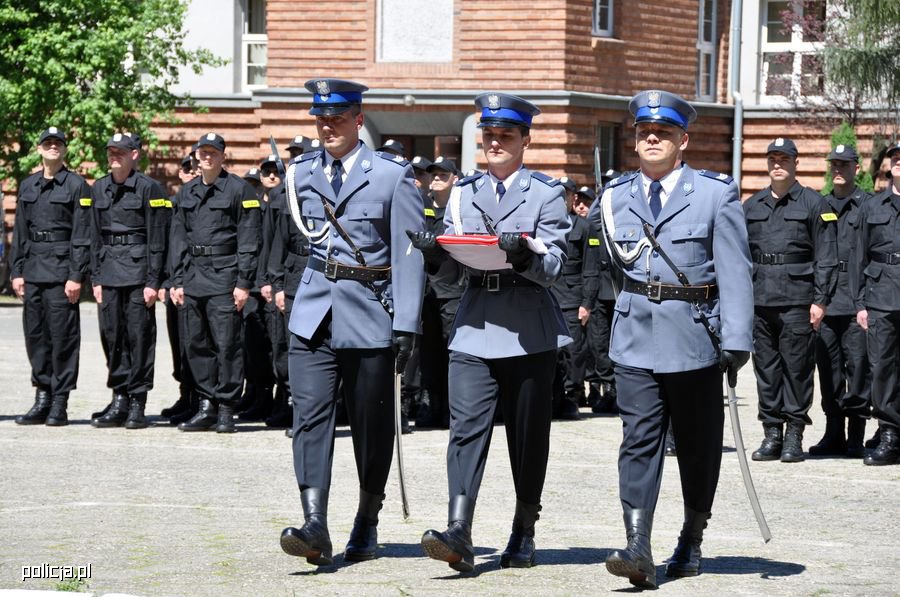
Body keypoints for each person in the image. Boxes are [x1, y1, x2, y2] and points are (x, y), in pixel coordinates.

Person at [588, 90, 753, 589]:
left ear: (683, 140)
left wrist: (737, 336)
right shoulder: (615, 196)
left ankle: (691, 538)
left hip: (694, 336)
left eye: (663, 132)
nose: (652, 139)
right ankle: (638, 544)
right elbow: (612, 268)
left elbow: (734, 270)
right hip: (635, 335)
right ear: (635, 140)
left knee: (698, 446)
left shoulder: (714, 194)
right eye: (644, 132)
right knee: (637, 441)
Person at [413, 92, 571, 571]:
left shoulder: (545, 193)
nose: (496, 142)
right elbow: (453, 274)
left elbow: (555, 266)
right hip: (475, 320)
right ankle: (458, 529)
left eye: (506, 135)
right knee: (465, 429)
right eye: (489, 135)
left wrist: (525, 257)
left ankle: (524, 530)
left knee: (527, 436)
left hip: (528, 325)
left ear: (525, 140)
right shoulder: (463, 193)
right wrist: (435, 257)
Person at [279, 78, 425, 566]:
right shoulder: (301, 172)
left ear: (358, 120)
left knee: (370, 423)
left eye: (337, 119)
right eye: (321, 119)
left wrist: (407, 323)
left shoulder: (390, 175)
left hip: (369, 310)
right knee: (309, 417)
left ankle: (366, 519)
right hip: (314, 310)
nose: (328, 127)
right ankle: (314, 523)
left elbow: (409, 254)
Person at [744, 138, 838, 463]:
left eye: (784, 158)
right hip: (760, 301)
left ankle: (794, 435)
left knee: (797, 370)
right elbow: (740, 257)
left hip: (798, 301)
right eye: (772, 158)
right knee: (766, 370)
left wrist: (821, 300)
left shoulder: (814, 204)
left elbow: (827, 257)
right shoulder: (752, 206)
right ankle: (772, 433)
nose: (777, 164)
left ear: (796, 163)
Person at [168, 132, 262, 433]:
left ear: (223, 155)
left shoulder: (239, 190)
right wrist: (177, 279)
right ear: (196, 155)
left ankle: (226, 409)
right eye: (203, 152)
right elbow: (178, 238)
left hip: (225, 276)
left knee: (227, 345)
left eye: (213, 152)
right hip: (193, 276)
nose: (207, 157)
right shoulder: (187, 192)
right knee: (196, 344)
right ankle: (206, 405)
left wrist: (244, 283)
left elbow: (249, 240)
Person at [11, 127, 92, 427]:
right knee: (36, 336)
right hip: (33, 270)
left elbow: (82, 234)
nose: (53, 147)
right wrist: (17, 271)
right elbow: (20, 231)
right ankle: (42, 396)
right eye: (48, 143)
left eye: (58, 143)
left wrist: (76, 275)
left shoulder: (77, 185)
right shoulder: (28, 185)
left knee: (63, 338)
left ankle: (60, 402)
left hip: (61, 273)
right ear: (39, 148)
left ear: (65, 149)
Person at [89, 133, 171, 429]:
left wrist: (154, 281)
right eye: (111, 151)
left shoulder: (150, 188)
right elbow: (93, 235)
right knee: (112, 337)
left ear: (134, 154)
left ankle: (137, 402)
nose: (114, 156)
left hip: (139, 275)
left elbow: (158, 237)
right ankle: (119, 398)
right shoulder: (99, 188)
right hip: (109, 273)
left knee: (139, 338)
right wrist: (95, 277)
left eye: (120, 152)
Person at [810, 144, 872, 458]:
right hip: (827, 299)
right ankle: (833, 433)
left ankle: (856, 436)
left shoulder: (868, 205)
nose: (838, 169)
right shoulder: (820, 205)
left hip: (857, 299)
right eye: (834, 164)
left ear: (856, 169)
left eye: (844, 164)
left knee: (858, 369)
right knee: (829, 370)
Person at [851, 141, 900, 466]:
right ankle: (890, 434)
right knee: (883, 368)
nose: (898, 161)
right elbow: (859, 255)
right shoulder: (873, 205)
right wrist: (860, 303)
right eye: (895, 157)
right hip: (880, 295)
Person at [415, 157, 463, 429]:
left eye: (443, 175)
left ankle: (450, 406)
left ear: (455, 179)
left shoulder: (460, 210)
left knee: (451, 350)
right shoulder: (420, 207)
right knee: (428, 351)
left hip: (452, 290)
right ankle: (431, 403)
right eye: (433, 174)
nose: (436, 178)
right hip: (425, 291)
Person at [550, 177, 599, 420]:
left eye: (567, 194)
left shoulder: (584, 227)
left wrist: (587, 303)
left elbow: (590, 269)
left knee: (574, 351)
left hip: (572, 298)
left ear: (573, 197)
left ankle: (572, 395)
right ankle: (553, 396)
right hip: (547, 296)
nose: (563, 199)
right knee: (551, 352)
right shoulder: (544, 224)